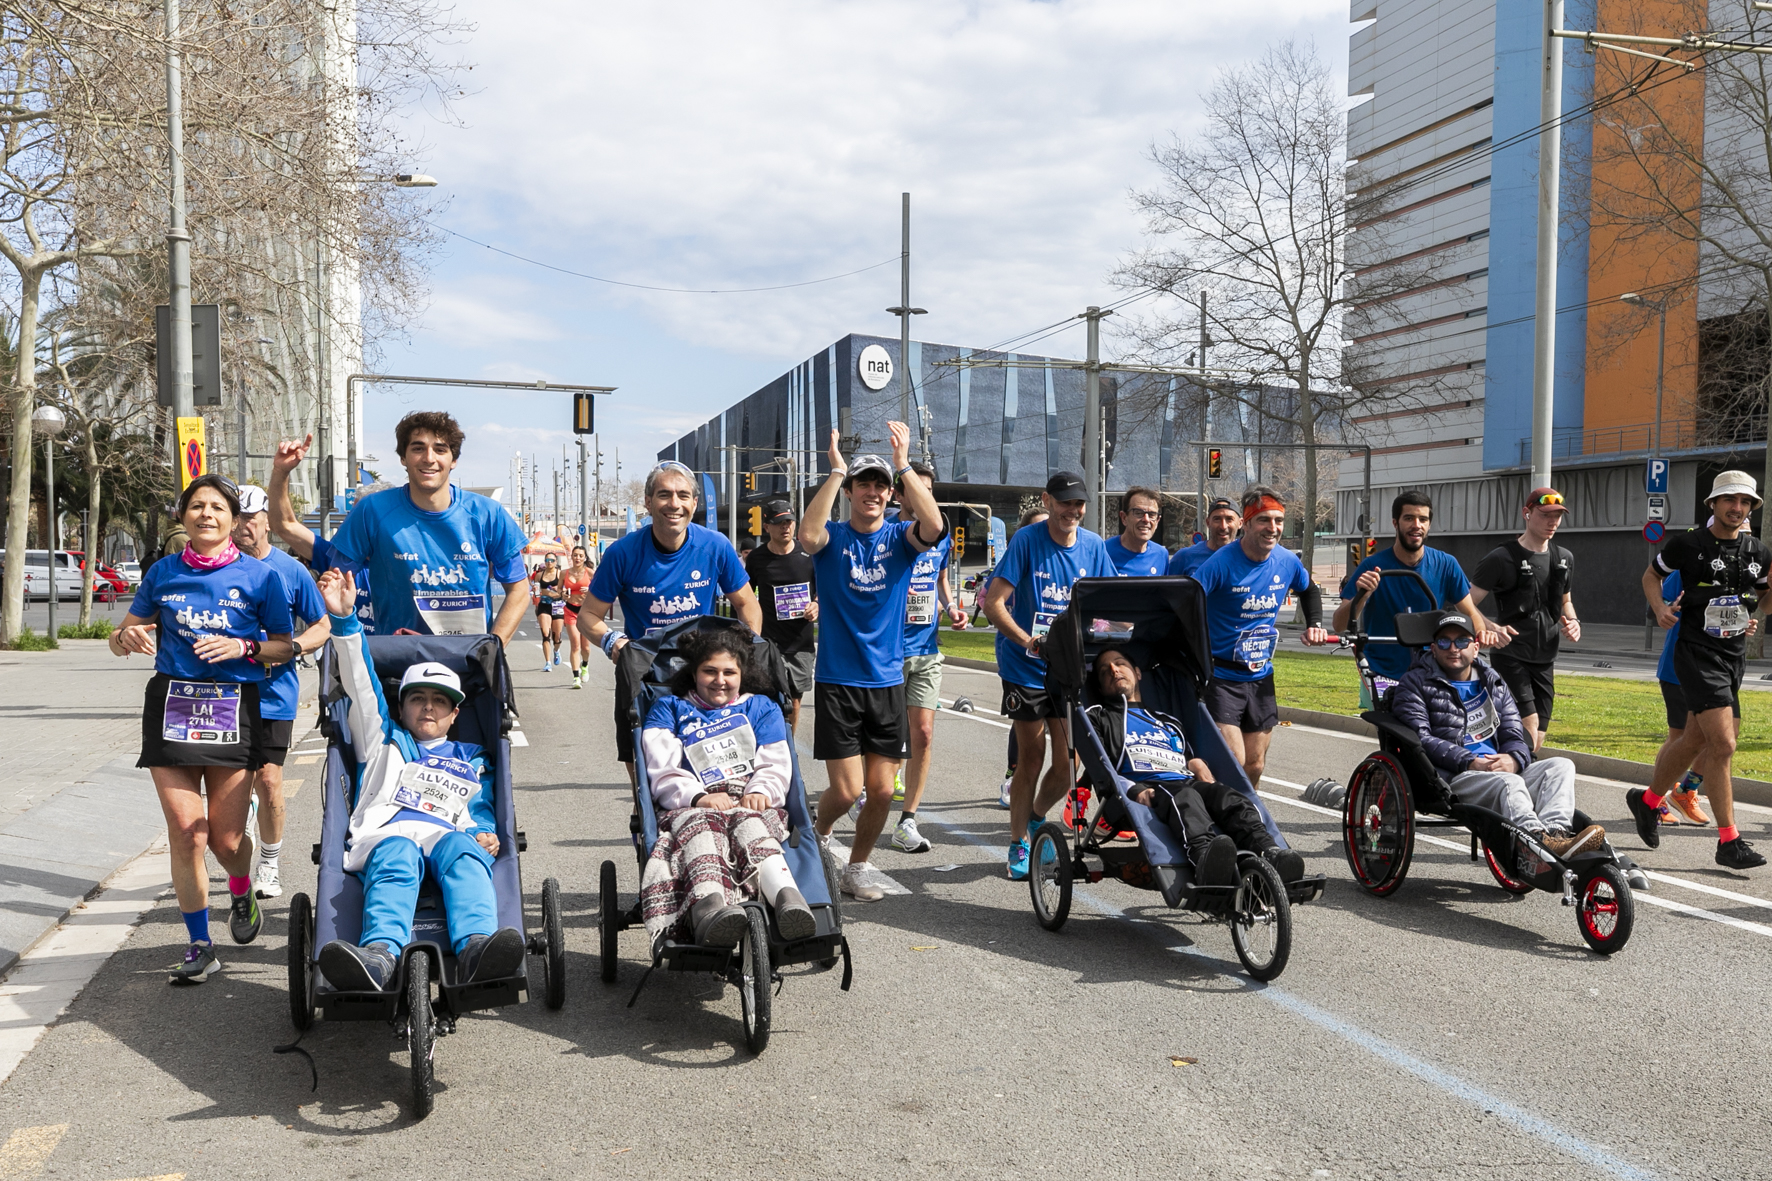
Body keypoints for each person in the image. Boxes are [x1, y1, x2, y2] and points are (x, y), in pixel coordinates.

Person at [110, 474, 295, 983]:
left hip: (233, 709)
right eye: (197, 506)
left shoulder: (261, 578)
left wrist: (246, 648)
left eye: (217, 507)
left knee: (225, 839)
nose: (206, 514)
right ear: (183, 516)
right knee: (187, 833)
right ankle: (199, 944)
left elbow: (285, 644)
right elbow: (122, 632)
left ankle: (241, 889)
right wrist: (125, 637)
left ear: (235, 521)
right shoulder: (163, 572)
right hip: (171, 707)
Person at [310, 571, 528, 991]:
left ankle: (476, 949)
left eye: (439, 701)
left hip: (447, 835)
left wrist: (483, 832)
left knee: (463, 850)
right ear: (402, 706)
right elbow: (361, 685)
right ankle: (379, 957)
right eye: (417, 698)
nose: (428, 707)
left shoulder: (472, 758)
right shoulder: (382, 741)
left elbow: (479, 810)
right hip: (388, 836)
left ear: (454, 713)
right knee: (397, 852)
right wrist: (344, 621)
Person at [801, 423, 947, 901]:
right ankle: (817, 838)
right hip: (839, 681)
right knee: (845, 792)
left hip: (886, 681)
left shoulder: (901, 541)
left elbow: (936, 527)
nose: (873, 492)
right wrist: (836, 470)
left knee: (883, 791)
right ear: (849, 493)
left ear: (891, 495)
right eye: (863, 484)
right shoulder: (833, 539)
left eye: (880, 486)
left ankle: (857, 867)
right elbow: (806, 534)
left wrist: (903, 465)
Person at [580, 461, 762, 782]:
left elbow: (748, 605)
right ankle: (647, 820)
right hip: (645, 676)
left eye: (683, 495)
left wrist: (743, 653)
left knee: (710, 771)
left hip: (702, 675)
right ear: (648, 503)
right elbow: (588, 617)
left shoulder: (714, 545)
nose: (674, 504)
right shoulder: (622, 553)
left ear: (694, 503)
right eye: (664, 495)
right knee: (647, 778)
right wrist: (614, 642)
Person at [1628, 471, 1771, 870]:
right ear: (1713, 504)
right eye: (1729, 500)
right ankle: (1730, 841)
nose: (1737, 508)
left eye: (1744, 502)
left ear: (1751, 508)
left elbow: (1764, 602)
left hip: (1733, 655)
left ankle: (1648, 801)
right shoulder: (1688, 544)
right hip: (1694, 653)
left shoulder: (1759, 550)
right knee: (1723, 744)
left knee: (1694, 740)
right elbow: (1650, 576)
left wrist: (1751, 612)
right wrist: (1659, 609)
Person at [638, 628, 815, 946]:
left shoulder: (761, 707)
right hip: (690, 803)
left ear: (742, 673)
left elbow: (775, 762)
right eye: (710, 671)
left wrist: (762, 790)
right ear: (694, 673)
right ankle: (709, 907)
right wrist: (698, 797)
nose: (720, 680)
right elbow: (663, 770)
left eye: (729, 672)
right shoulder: (669, 710)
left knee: (750, 823)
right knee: (702, 826)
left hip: (749, 798)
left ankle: (788, 899)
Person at [983, 470, 1117, 880]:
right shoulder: (1027, 541)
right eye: (1064, 503)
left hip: (1070, 669)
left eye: (1078, 504)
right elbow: (994, 603)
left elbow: (1111, 604)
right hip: (1025, 666)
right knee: (1031, 756)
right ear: (1048, 501)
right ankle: (1019, 841)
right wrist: (1028, 641)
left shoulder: (1093, 547)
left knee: (1067, 763)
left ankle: (1039, 820)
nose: (1072, 511)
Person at [1389, 613, 1605, 859]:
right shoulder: (1414, 683)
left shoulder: (1492, 680)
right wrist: (1470, 761)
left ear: (1475, 646)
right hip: (1455, 775)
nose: (1453, 648)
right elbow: (1421, 739)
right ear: (1433, 649)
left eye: (1461, 641)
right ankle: (1534, 839)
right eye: (1443, 642)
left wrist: (1514, 759)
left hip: (1500, 767)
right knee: (1508, 783)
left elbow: (1514, 730)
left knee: (1560, 766)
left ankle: (1556, 835)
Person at [1086, 647, 1305, 883]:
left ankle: (1270, 852)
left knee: (1228, 797)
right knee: (1186, 797)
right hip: (1149, 787)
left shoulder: (1167, 721)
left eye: (1120, 663)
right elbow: (1102, 767)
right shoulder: (1098, 717)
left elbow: (1184, 755)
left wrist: (1194, 761)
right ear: (1099, 688)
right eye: (1103, 670)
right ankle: (1204, 858)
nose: (1113, 669)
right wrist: (1133, 789)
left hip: (1184, 780)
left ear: (1138, 673)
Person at [324, 412, 530, 641]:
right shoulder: (371, 510)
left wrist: (493, 648)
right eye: (418, 448)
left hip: (470, 663)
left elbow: (519, 589)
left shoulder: (488, 513)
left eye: (440, 449)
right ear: (403, 457)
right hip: (396, 661)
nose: (429, 458)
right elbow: (337, 585)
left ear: (454, 460)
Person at [1192, 485, 1332, 788]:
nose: (1273, 528)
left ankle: (1242, 823)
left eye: (1279, 521)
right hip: (1221, 676)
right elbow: (1186, 602)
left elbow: (1309, 590)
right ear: (1247, 523)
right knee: (1234, 759)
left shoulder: (1286, 561)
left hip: (1260, 674)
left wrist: (1315, 623)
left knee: (1254, 764)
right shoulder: (1221, 563)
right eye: (1264, 520)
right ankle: (1214, 818)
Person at [230, 485, 332, 899]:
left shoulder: (290, 571)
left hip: (274, 695)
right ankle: (246, 827)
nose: (242, 528)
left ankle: (269, 863)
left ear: (267, 521)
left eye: (250, 518)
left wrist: (291, 649)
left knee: (269, 781)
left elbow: (323, 625)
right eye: (236, 519)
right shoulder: (218, 568)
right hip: (224, 696)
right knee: (237, 784)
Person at [1334, 490, 1501, 703]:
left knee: (1434, 733)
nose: (1417, 525)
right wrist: (1363, 596)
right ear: (1395, 523)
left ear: (1429, 524)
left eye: (1423, 519)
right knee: (1392, 733)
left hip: (1432, 670)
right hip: (1382, 673)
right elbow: (1339, 624)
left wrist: (1482, 633)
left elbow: (1469, 612)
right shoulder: (1371, 566)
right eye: (1409, 518)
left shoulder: (1446, 564)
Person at [888, 461, 966, 855]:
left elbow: (939, 578)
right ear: (899, 494)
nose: (924, 497)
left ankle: (907, 821)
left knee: (922, 733)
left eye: (929, 490)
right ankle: (868, 793)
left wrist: (950, 606)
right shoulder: (884, 532)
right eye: (916, 489)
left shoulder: (942, 536)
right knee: (885, 736)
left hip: (926, 647)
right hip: (884, 651)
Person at [1471, 488, 1580, 751]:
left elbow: (1565, 600)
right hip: (1511, 656)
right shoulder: (1501, 558)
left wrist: (1574, 621)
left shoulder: (1564, 557)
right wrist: (1491, 627)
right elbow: (1465, 603)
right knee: (1528, 726)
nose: (1552, 522)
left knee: (1537, 737)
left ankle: (1507, 775)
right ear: (1527, 514)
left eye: (1558, 516)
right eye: (1545, 515)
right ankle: (1516, 787)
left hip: (1545, 658)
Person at [267, 433, 374, 632]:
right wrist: (281, 472)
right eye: (354, 517)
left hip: (397, 658)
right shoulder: (337, 560)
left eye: (367, 519)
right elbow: (284, 525)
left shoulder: (409, 563)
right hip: (345, 658)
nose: (357, 526)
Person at [743, 500, 818, 731]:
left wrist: (817, 604)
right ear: (767, 527)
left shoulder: (809, 554)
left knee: (794, 703)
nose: (785, 527)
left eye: (789, 522)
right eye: (779, 523)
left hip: (800, 643)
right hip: (768, 643)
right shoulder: (756, 558)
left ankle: (788, 750)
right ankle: (768, 746)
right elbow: (745, 594)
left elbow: (825, 588)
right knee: (769, 699)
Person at [1648, 569, 1713, 826]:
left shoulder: (1739, 571)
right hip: (1678, 668)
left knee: (1716, 738)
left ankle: (1686, 791)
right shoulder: (1688, 567)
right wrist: (1666, 609)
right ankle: (1655, 800)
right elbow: (1660, 602)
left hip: (1713, 671)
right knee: (1680, 738)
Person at [996, 507, 1048, 808]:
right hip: (1019, 655)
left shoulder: (1084, 548)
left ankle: (1037, 811)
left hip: (1060, 664)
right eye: (1037, 527)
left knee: (1071, 750)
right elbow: (989, 599)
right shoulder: (1021, 552)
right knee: (1027, 736)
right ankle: (1013, 774)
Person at [1168, 497, 1240, 578]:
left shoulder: (1249, 557)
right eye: (1217, 519)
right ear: (1208, 523)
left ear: (1240, 523)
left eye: (1229, 519)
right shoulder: (1184, 557)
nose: (1223, 526)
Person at [1104, 486, 1169, 576]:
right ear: (1124, 517)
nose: (1146, 520)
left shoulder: (1161, 555)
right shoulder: (1104, 551)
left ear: (1157, 520)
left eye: (1151, 515)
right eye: (1138, 513)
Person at [562, 545, 595, 689]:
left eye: (580, 556)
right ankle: (576, 678)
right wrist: (563, 594)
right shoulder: (564, 573)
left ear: (585, 558)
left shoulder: (590, 573)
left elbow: (600, 589)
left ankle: (585, 666)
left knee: (585, 647)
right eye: (575, 555)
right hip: (570, 610)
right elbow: (559, 590)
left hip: (585, 612)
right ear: (572, 557)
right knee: (575, 644)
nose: (577, 558)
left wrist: (589, 590)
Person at [532, 553, 566, 671]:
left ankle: (556, 650)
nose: (549, 562)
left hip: (557, 606)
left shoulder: (560, 574)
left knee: (557, 637)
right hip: (544, 606)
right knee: (546, 635)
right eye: (547, 560)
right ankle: (548, 663)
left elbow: (565, 590)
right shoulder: (539, 575)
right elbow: (536, 592)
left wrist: (559, 591)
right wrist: (537, 591)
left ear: (556, 562)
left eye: (552, 560)